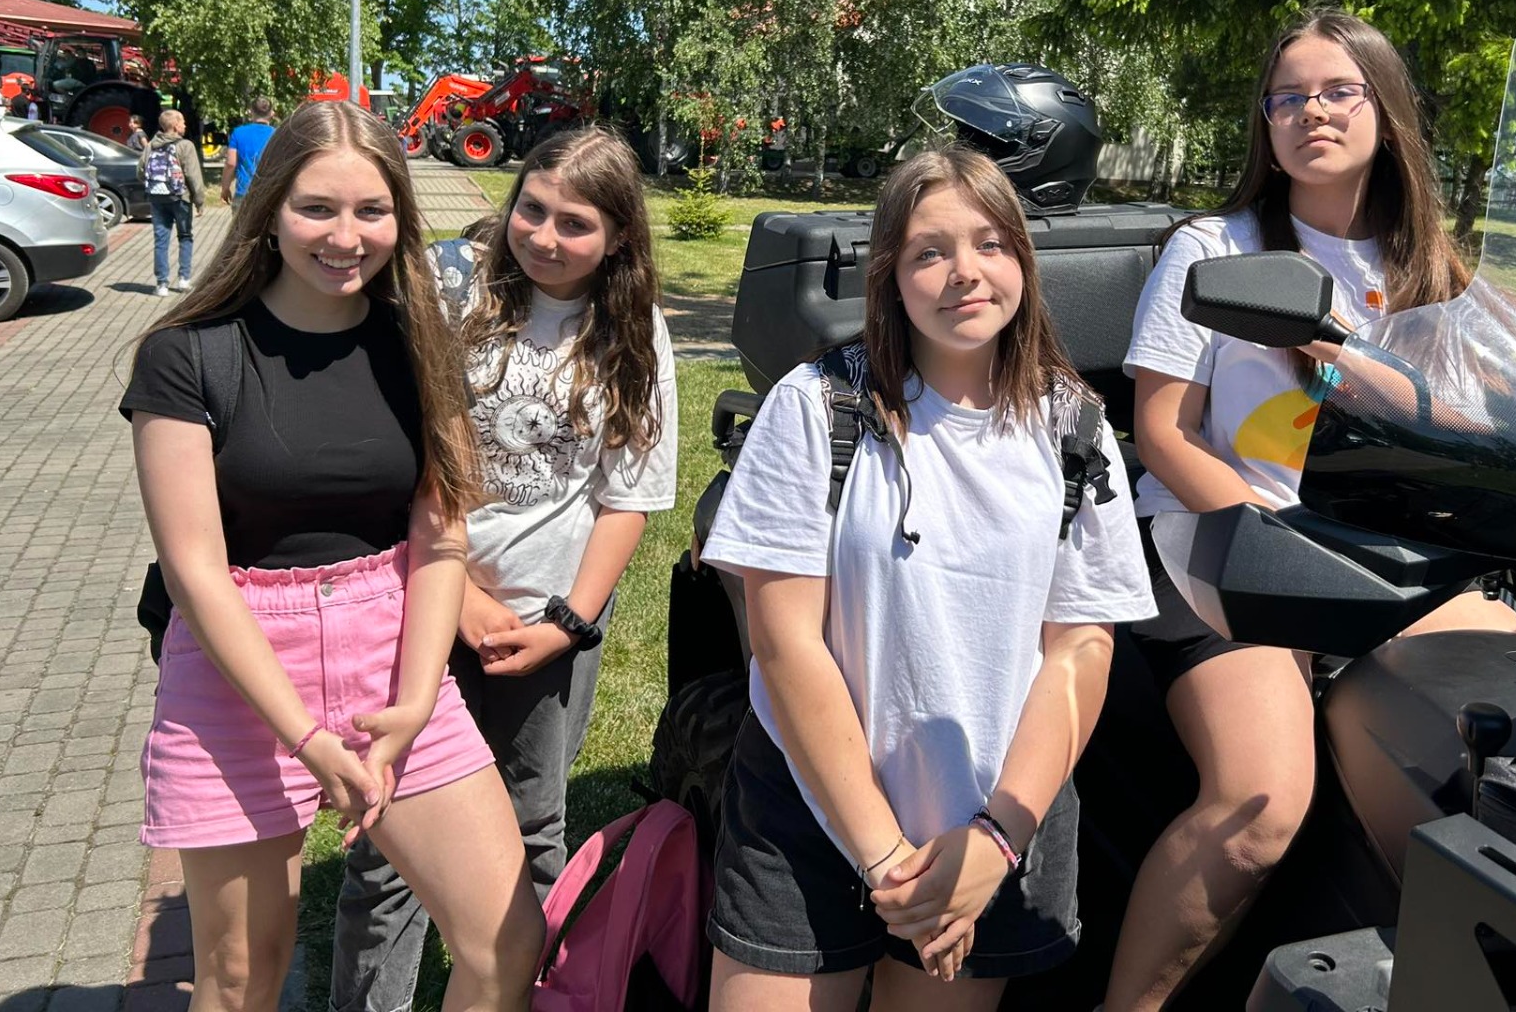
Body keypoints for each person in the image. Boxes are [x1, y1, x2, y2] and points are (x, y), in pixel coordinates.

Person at [1105, 9, 1516, 1011]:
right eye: (1287, 98)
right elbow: (1163, 432)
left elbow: (1480, 417)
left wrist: (1358, 372)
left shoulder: (1429, 265)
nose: (1311, 113)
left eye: (1338, 91)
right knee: (1259, 804)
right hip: (1224, 548)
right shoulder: (1215, 246)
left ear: (1387, 109)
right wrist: (1276, 544)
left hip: (1382, 558)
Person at [699, 145, 1156, 1011]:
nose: (964, 272)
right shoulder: (817, 406)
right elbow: (785, 641)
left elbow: (1080, 649)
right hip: (810, 808)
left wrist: (998, 839)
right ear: (891, 276)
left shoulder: (1075, 428)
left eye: (990, 244)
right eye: (929, 252)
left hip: (991, 819)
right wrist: (883, 857)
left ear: (1024, 260)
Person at [119, 99, 543, 1012]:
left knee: (506, 942)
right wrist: (306, 740)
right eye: (317, 208)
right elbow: (194, 571)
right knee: (241, 976)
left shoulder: (420, 343)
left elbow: (439, 534)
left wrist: (415, 702)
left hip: (389, 654)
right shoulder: (186, 356)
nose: (346, 237)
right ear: (269, 208)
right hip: (237, 667)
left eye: (371, 210)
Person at [332, 125, 680, 1011]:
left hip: (549, 624)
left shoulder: (633, 332)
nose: (544, 237)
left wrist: (567, 624)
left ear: (618, 238)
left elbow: (628, 496)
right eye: (532, 209)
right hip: (421, 605)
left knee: (533, 826)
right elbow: (397, 456)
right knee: (390, 839)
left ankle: (520, 992)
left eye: (575, 224)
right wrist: (460, 601)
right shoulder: (457, 293)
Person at [145, 110, 205, 296]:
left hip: (157, 197)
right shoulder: (185, 145)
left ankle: (161, 284)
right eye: (183, 122)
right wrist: (199, 200)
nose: (185, 125)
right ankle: (184, 280)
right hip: (180, 198)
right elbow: (193, 175)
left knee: (160, 240)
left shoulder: (151, 145)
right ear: (175, 126)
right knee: (185, 236)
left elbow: (140, 170)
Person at [223, 97, 277, 204]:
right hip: (269, 194)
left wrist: (225, 188)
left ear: (251, 112)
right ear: (271, 113)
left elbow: (231, 164)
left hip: (244, 193)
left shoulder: (238, 133)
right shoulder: (277, 134)